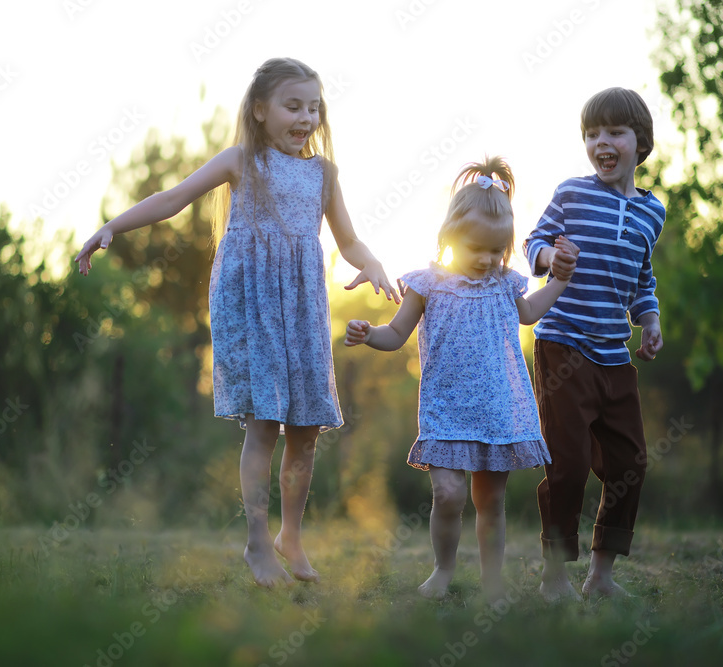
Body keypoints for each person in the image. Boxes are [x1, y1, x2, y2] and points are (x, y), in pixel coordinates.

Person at [75, 58, 399, 588]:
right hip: (251, 305)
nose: (306, 117)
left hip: (302, 307)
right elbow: (173, 198)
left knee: (307, 429)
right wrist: (113, 226)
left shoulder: (324, 174)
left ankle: (289, 536)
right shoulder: (241, 161)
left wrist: (373, 263)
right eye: (293, 106)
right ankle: (256, 541)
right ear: (260, 109)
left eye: (314, 107)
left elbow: (348, 240)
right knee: (265, 424)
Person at [344, 157, 579, 603]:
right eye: (477, 249)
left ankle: (493, 584)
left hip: (497, 407)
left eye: (497, 250)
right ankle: (443, 570)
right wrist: (369, 335)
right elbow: (395, 334)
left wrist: (559, 282)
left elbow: (529, 314)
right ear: (451, 236)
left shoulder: (506, 284)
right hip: (447, 407)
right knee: (449, 494)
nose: (488, 259)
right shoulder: (426, 284)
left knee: (490, 502)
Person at [523, 87, 665, 602]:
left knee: (629, 463)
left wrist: (649, 321)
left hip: (614, 355)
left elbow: (642, 278)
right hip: (563, 346)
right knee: (569, 462)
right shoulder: (572, 193)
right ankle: (555, 575)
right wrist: (548, 261)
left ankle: (601, 576)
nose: (601, 142)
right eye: (591, 133)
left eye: (614, 132)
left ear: (640, 142)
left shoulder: (653, 212)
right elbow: (533, 240)